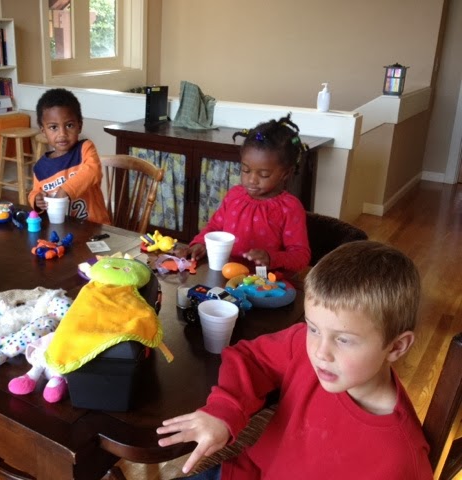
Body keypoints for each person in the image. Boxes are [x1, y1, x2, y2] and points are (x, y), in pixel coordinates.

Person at [157, 240, 432, 479]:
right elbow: (251, 357)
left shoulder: (399, 458)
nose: (320, 352)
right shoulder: (306, 345)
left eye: (344, 340)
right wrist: (224, 410)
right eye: (313, 328)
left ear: (397, 347)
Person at [184, 114, 310, 274]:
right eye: (245, 170)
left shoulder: (289, 208)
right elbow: (214, 227)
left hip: (263, 282)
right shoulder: (234, 195)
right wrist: (200, 244)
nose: (251, 180)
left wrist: (271, 258)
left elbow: (300, 256)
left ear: (286, 173)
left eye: (264, 174)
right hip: (225, 274)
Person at [28, 88, 110, 225]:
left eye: (69, 125)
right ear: (43, 131)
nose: (62, 134)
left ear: (79, 126)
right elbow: (35, 191)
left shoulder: (85, 149)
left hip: (95, 227)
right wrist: (36, 200)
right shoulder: (41, 168)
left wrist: (65, 190)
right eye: (53, 127)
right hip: (62, 229)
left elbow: (93, 171)